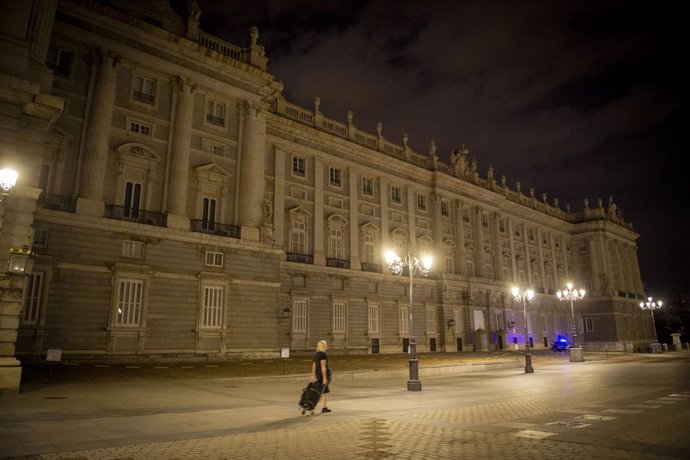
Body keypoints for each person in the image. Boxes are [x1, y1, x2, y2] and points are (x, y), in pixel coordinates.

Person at [310, 340, 331, 413]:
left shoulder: (316, 355)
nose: (327, 345)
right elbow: (323, 366)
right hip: (322, 376)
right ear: (324, 346)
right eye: (326, 344)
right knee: (323, 392)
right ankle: (323, 407)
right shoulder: (323, 355)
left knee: (318, 392)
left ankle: (312, 406)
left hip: (317, 375)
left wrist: (313, 375)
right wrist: (325, 378)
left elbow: (314, 366)